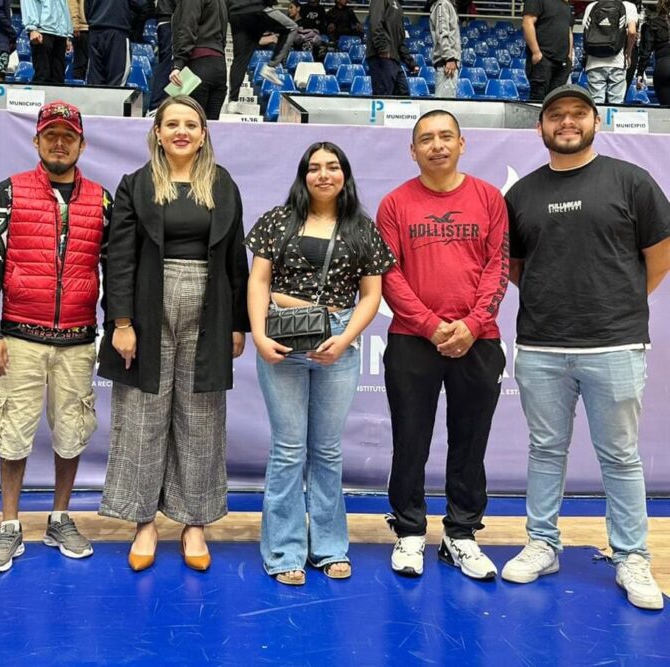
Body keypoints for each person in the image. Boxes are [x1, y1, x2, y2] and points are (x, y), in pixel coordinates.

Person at [502, 85, 670, 611]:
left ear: (596, 122)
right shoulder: (521, 194)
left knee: (619, 455)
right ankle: (542, 543)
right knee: (545, 450)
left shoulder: (631, 181)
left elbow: (660, 255)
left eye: (578, 113)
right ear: (541, 127)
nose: (567, 122)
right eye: (556, 115)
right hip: (541, 345)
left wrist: (618, 302)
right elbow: (515, 268)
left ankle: (632, 556)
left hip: (615, 343)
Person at [98, 95, 249, 572]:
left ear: (203, 135)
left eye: (191, 124)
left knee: (201, 419)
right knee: (142, 417)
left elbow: (236, 259)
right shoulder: (137, 184)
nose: (181, 131)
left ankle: (194, 522)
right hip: (147, 307)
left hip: (210, 309)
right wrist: (121, 323)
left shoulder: (222, 185)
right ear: (157, 133)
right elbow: (118, 257)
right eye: (172, 124)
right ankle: (143, 521)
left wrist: (238, 323)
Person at [246, 142, 394, 586]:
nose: (323, 174)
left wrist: (345, 340)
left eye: (332, 167)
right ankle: (284, 550)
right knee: (288, 450)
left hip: (338, 344)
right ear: (303, 175)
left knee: (327, 451)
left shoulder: (362, 229)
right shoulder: (277, 220)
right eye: (315, 168)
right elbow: (258, 280)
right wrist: (259, 334)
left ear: (344, 175)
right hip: (283, 343)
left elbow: (371, 295)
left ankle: (329, 548)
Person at [0, 102, 112, 573]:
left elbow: (116, 270)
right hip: (19, 337)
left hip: (78, 338)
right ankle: (9, 525)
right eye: (50, 135)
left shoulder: (102, 199)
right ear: (36, 140)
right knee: (13, 434)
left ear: (81, 144)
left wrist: (116, 327)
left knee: (72, 432)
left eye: (68, 136)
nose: (59, 143)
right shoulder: (10, 190)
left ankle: (59, 518)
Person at [377, 110, 509, 580]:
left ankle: (462, 534)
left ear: (462, 143)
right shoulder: (394, 204)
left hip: (479, 340)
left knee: (470, 441)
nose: (437, 145)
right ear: (412, 150)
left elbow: (498, 266)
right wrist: (431, 326)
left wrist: (472, 325)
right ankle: (410, 530)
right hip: (412, 341)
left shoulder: (489, 198)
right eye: (427, 139)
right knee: (410, 439)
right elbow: (389, 274)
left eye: (445, 137)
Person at [227, 0, 298, 112]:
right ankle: (271, 67)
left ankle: (233, 101)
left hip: (235, 15)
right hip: (257, 9)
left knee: (240, 59)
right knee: (291, 28)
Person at [582, 0, 637, 104]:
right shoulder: (628, 6)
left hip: (594, 62)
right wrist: (628, 52)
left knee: (596, 103)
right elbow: (632, 31)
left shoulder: (592, 6)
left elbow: (586, 32)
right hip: (617, 62)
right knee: (616, 103)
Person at [522, 0, 575, 101]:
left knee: (556, 101)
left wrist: (569, 57)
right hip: (543, 58)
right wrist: (536, 52)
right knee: (538, 99)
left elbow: (569, 32)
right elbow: (527, 23)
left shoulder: (566, 5)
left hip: (562, 61)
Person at [85, 0, 145, 86]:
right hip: (118, 30)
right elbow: (141, 4)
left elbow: (86, 8)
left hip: (95, 31)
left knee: (95, 84)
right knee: (117, 83)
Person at [367, 0, 418, 96]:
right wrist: (382, 48)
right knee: (383, 95)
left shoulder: (398, 5)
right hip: (381, 56)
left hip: (394, 59)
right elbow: (375, 23)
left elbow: (400, 38)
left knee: (403, 93)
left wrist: (410, 62)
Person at [23, 0, 73, 84]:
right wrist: (32, 28)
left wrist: (68, 33)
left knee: (59, 77)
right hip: (42, 31)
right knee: (42, 74)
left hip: (61, 33)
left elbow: (64, 5)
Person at [635, 0, 670, 105]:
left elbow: (646, 51)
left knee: (666, 110)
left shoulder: (652, 24)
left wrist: (640, 73)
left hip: (663, 66)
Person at [149, 0, 176, 111]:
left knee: (167, 61)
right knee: (167, 62)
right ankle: (157, 104)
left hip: (167, 17)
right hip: (169, 18)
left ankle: (158, 104)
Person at [430, 0, 461, 98]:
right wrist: (449, 58)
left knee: (447, 100)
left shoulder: (447, 4)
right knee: (445, 103)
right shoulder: (443, 4)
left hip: (448, 62)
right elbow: (442, 33)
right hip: (446, 63)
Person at [67, 0, 89, 80]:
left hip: (96, 28)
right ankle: (78, 86)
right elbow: (72, 3)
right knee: (80, 65)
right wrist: (75, 24)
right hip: (82, 29)